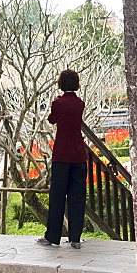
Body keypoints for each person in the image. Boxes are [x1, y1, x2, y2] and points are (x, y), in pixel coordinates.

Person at [37, 69, 87, 250]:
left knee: (57, 196)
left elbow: (51, 120)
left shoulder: (58, 103)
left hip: (61, 155)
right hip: (78, 154)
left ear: (61, 84)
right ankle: (75, 238)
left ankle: (52, 237)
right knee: (77, 197)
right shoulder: (80, 103)